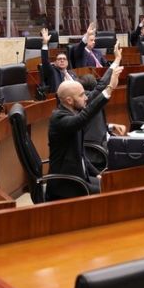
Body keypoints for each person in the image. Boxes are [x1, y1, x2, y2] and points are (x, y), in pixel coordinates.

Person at [47, 65, 123, 200]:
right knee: (112, 191)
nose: (86, 98)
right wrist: (109, 88)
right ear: (69, 100)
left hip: (81, 176)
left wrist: (97, 173)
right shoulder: (59, 118)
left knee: (114, 184)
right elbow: (84, 117)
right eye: (82, 95)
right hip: (68, 184)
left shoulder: (73, 113)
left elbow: (81, 155)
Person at [40, 27, 77, 93]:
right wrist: (45, 43)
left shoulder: (72, 73)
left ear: (67, 62)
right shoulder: (52, 72)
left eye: (64, 59)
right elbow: (45, 61)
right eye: (59, 59)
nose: (62, 60)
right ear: (55, 63)